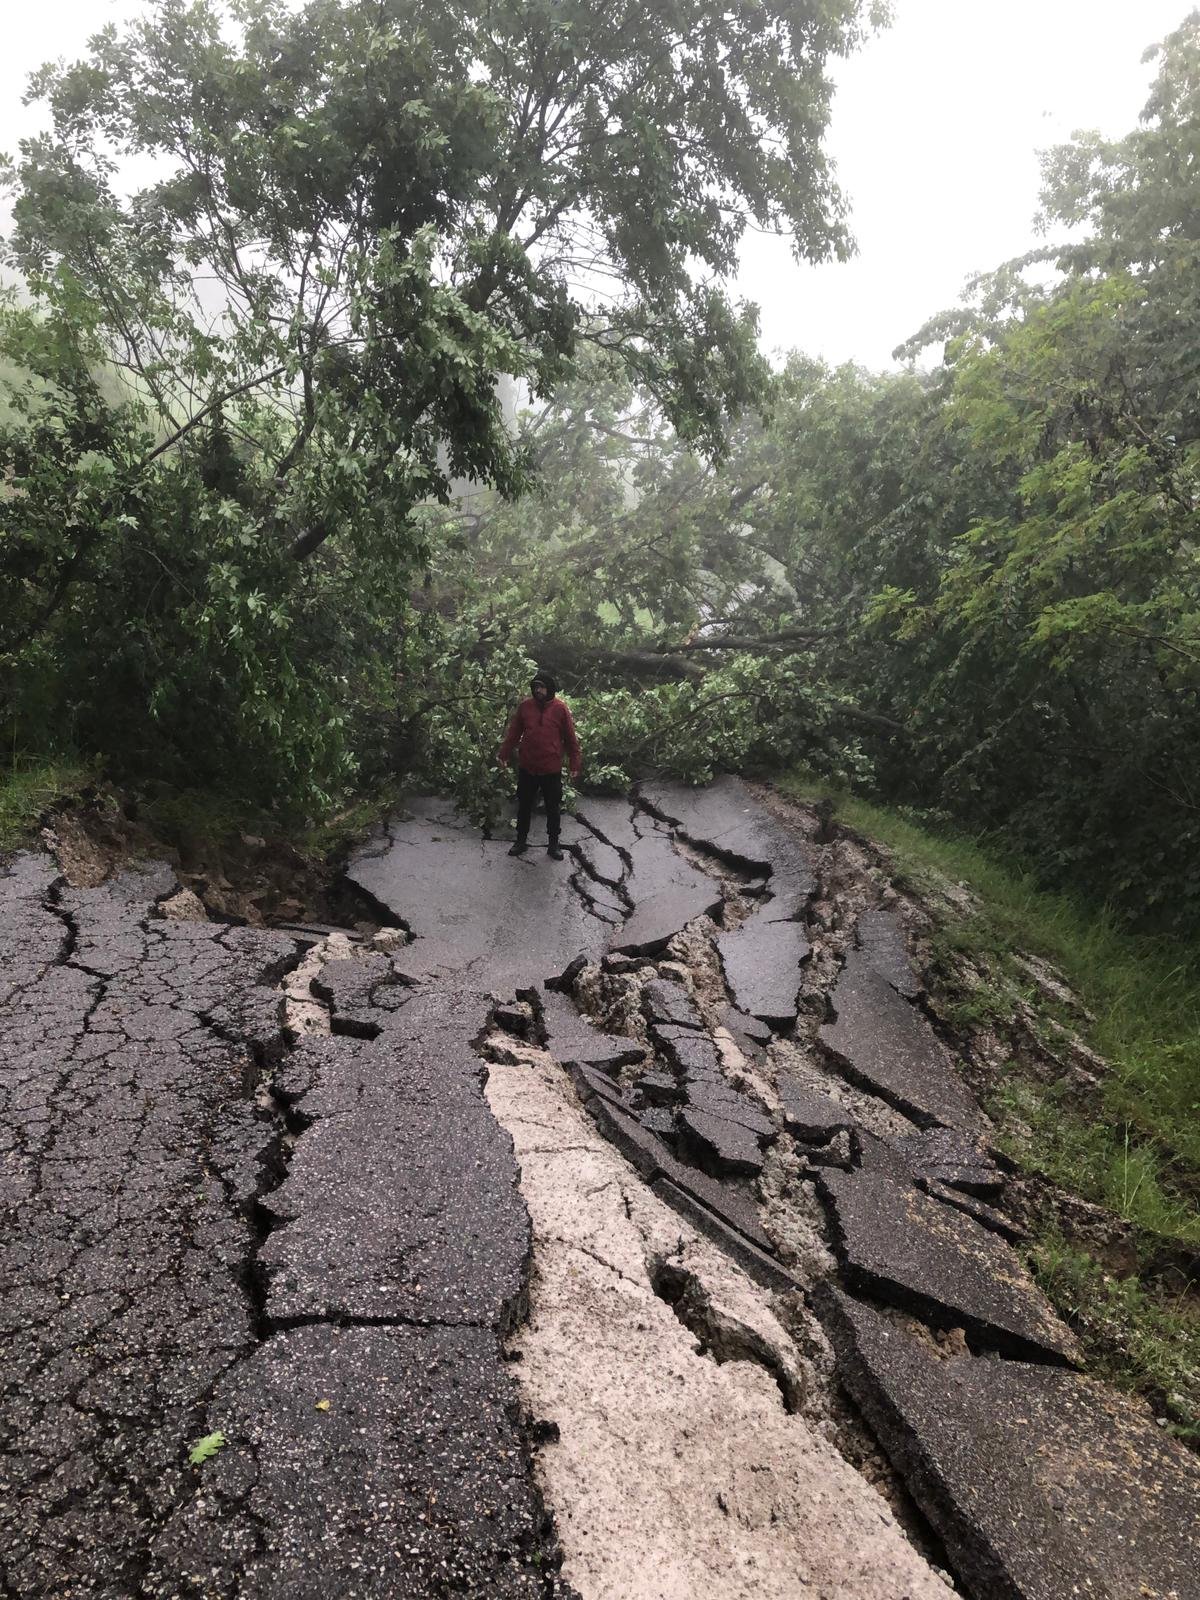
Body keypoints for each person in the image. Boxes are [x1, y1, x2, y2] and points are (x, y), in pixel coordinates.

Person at [497, 670, 581, 859]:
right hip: (528, 767)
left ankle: (553, 844)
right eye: (535, 687)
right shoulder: (525, 707)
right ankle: (520, 841)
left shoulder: (560, 709)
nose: (538, 691)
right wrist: (504, 753)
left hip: (551, 769)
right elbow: (514, 733)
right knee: (524, 805)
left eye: (541, 687)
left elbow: (570, 739)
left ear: (549, 689)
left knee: (553, 808)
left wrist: (575, 763)